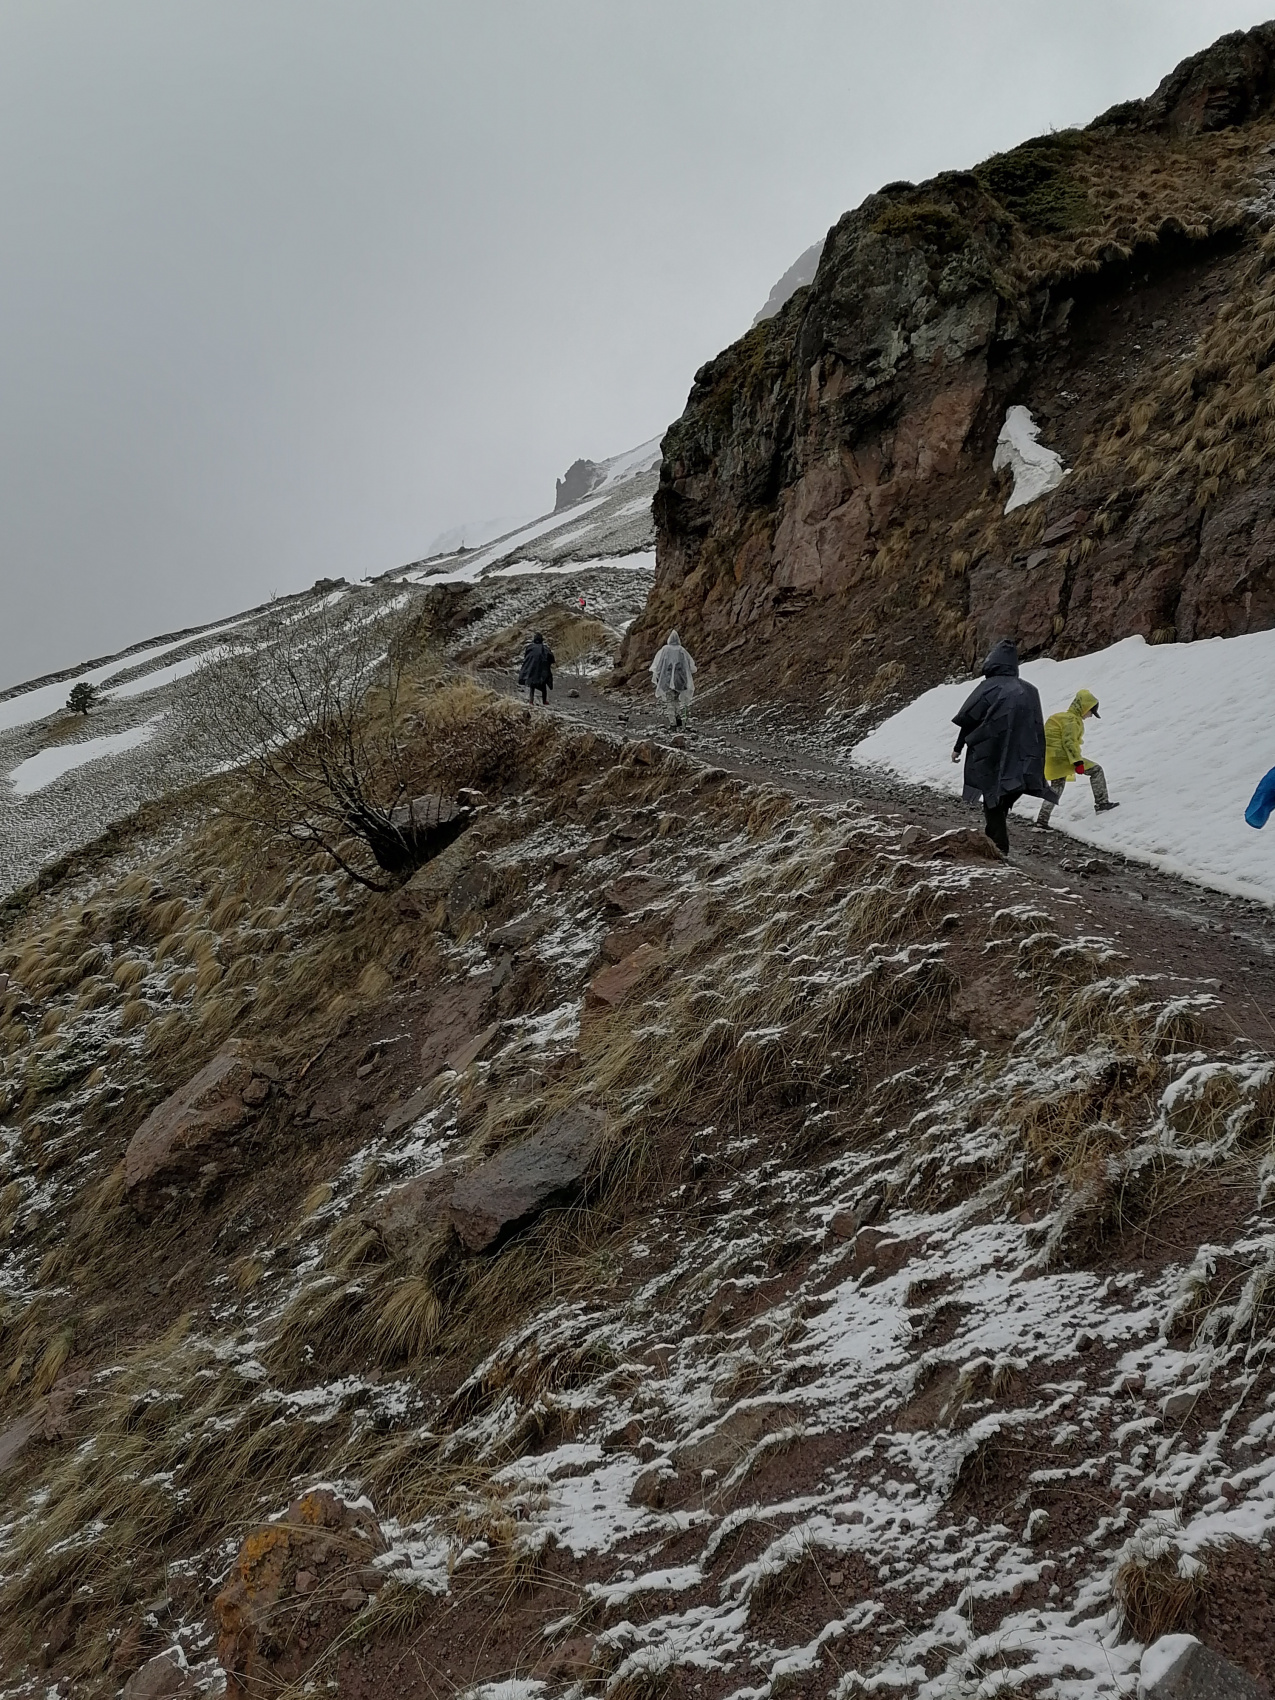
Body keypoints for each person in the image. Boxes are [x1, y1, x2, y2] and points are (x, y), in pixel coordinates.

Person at [951, 639, 1054, 855]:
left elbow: (969, 719)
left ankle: (997, 847)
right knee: (1005, 794)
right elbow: (1036, 726)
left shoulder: (988, 687)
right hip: (1022, 754)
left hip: (992, 753)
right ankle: (995, 841)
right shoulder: (1029, 690)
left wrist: (958, 747)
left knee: (993, 797)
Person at [1036, 688, 1119, 828]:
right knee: (1096, 770)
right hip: (1063, 757)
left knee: (1056, 788)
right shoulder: (1072, 721)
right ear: (1084, 708)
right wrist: (1077, 762)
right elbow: (1069, 742)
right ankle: (1102, 803)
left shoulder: (1062, 716)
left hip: (1050, 757)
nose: (1090, 716)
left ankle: (1041, 821)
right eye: (1090, 712)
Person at [649, 629, 697, 728]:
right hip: (679, 680)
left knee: (670, 700)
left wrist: (659, 676)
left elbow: (659, 664)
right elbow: (689, 666)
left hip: (667, 679)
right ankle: (678, 717)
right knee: (676, 699)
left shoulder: (665, 650)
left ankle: (672, 722)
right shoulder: (682, 650)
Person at [518, 632, 554, 706]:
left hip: (531, 671)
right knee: (543, 687)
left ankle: (531, 701)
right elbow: (551, 658)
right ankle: (544, 701)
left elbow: (526, 657)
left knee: (532, 686)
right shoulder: (545, 649)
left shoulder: (529, 648)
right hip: (542, 672)